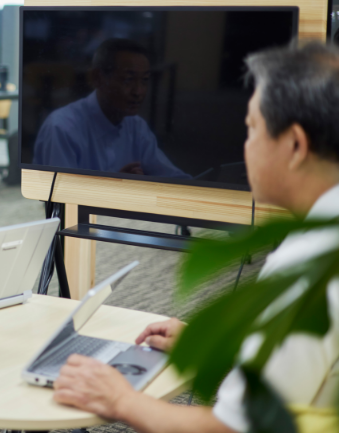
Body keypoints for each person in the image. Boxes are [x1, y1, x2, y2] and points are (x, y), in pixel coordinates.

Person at [52, 42, 339, 432]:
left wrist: (120, 400)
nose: (246, 144)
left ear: (294, 145)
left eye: (252, 128)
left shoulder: (310, 265)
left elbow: (234, 429)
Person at [33, 38, 187, 178]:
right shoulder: (62, 128)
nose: (138, 91)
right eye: (128, 80)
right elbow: (60, 200)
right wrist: (112, 189)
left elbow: (171, 176)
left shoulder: (136, 126)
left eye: (145, 80)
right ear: (97, 78)